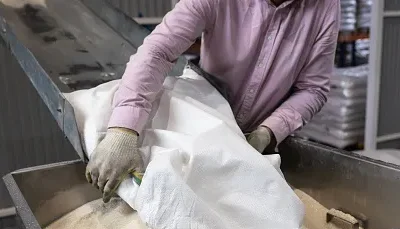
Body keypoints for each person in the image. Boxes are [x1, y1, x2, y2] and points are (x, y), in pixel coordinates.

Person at [86, 0, 340, 202]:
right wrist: (123, 130)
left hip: (257, 145)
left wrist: (268, 131)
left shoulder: (324, 7)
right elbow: (159, 51)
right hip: (202, 125)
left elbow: (313, 89)